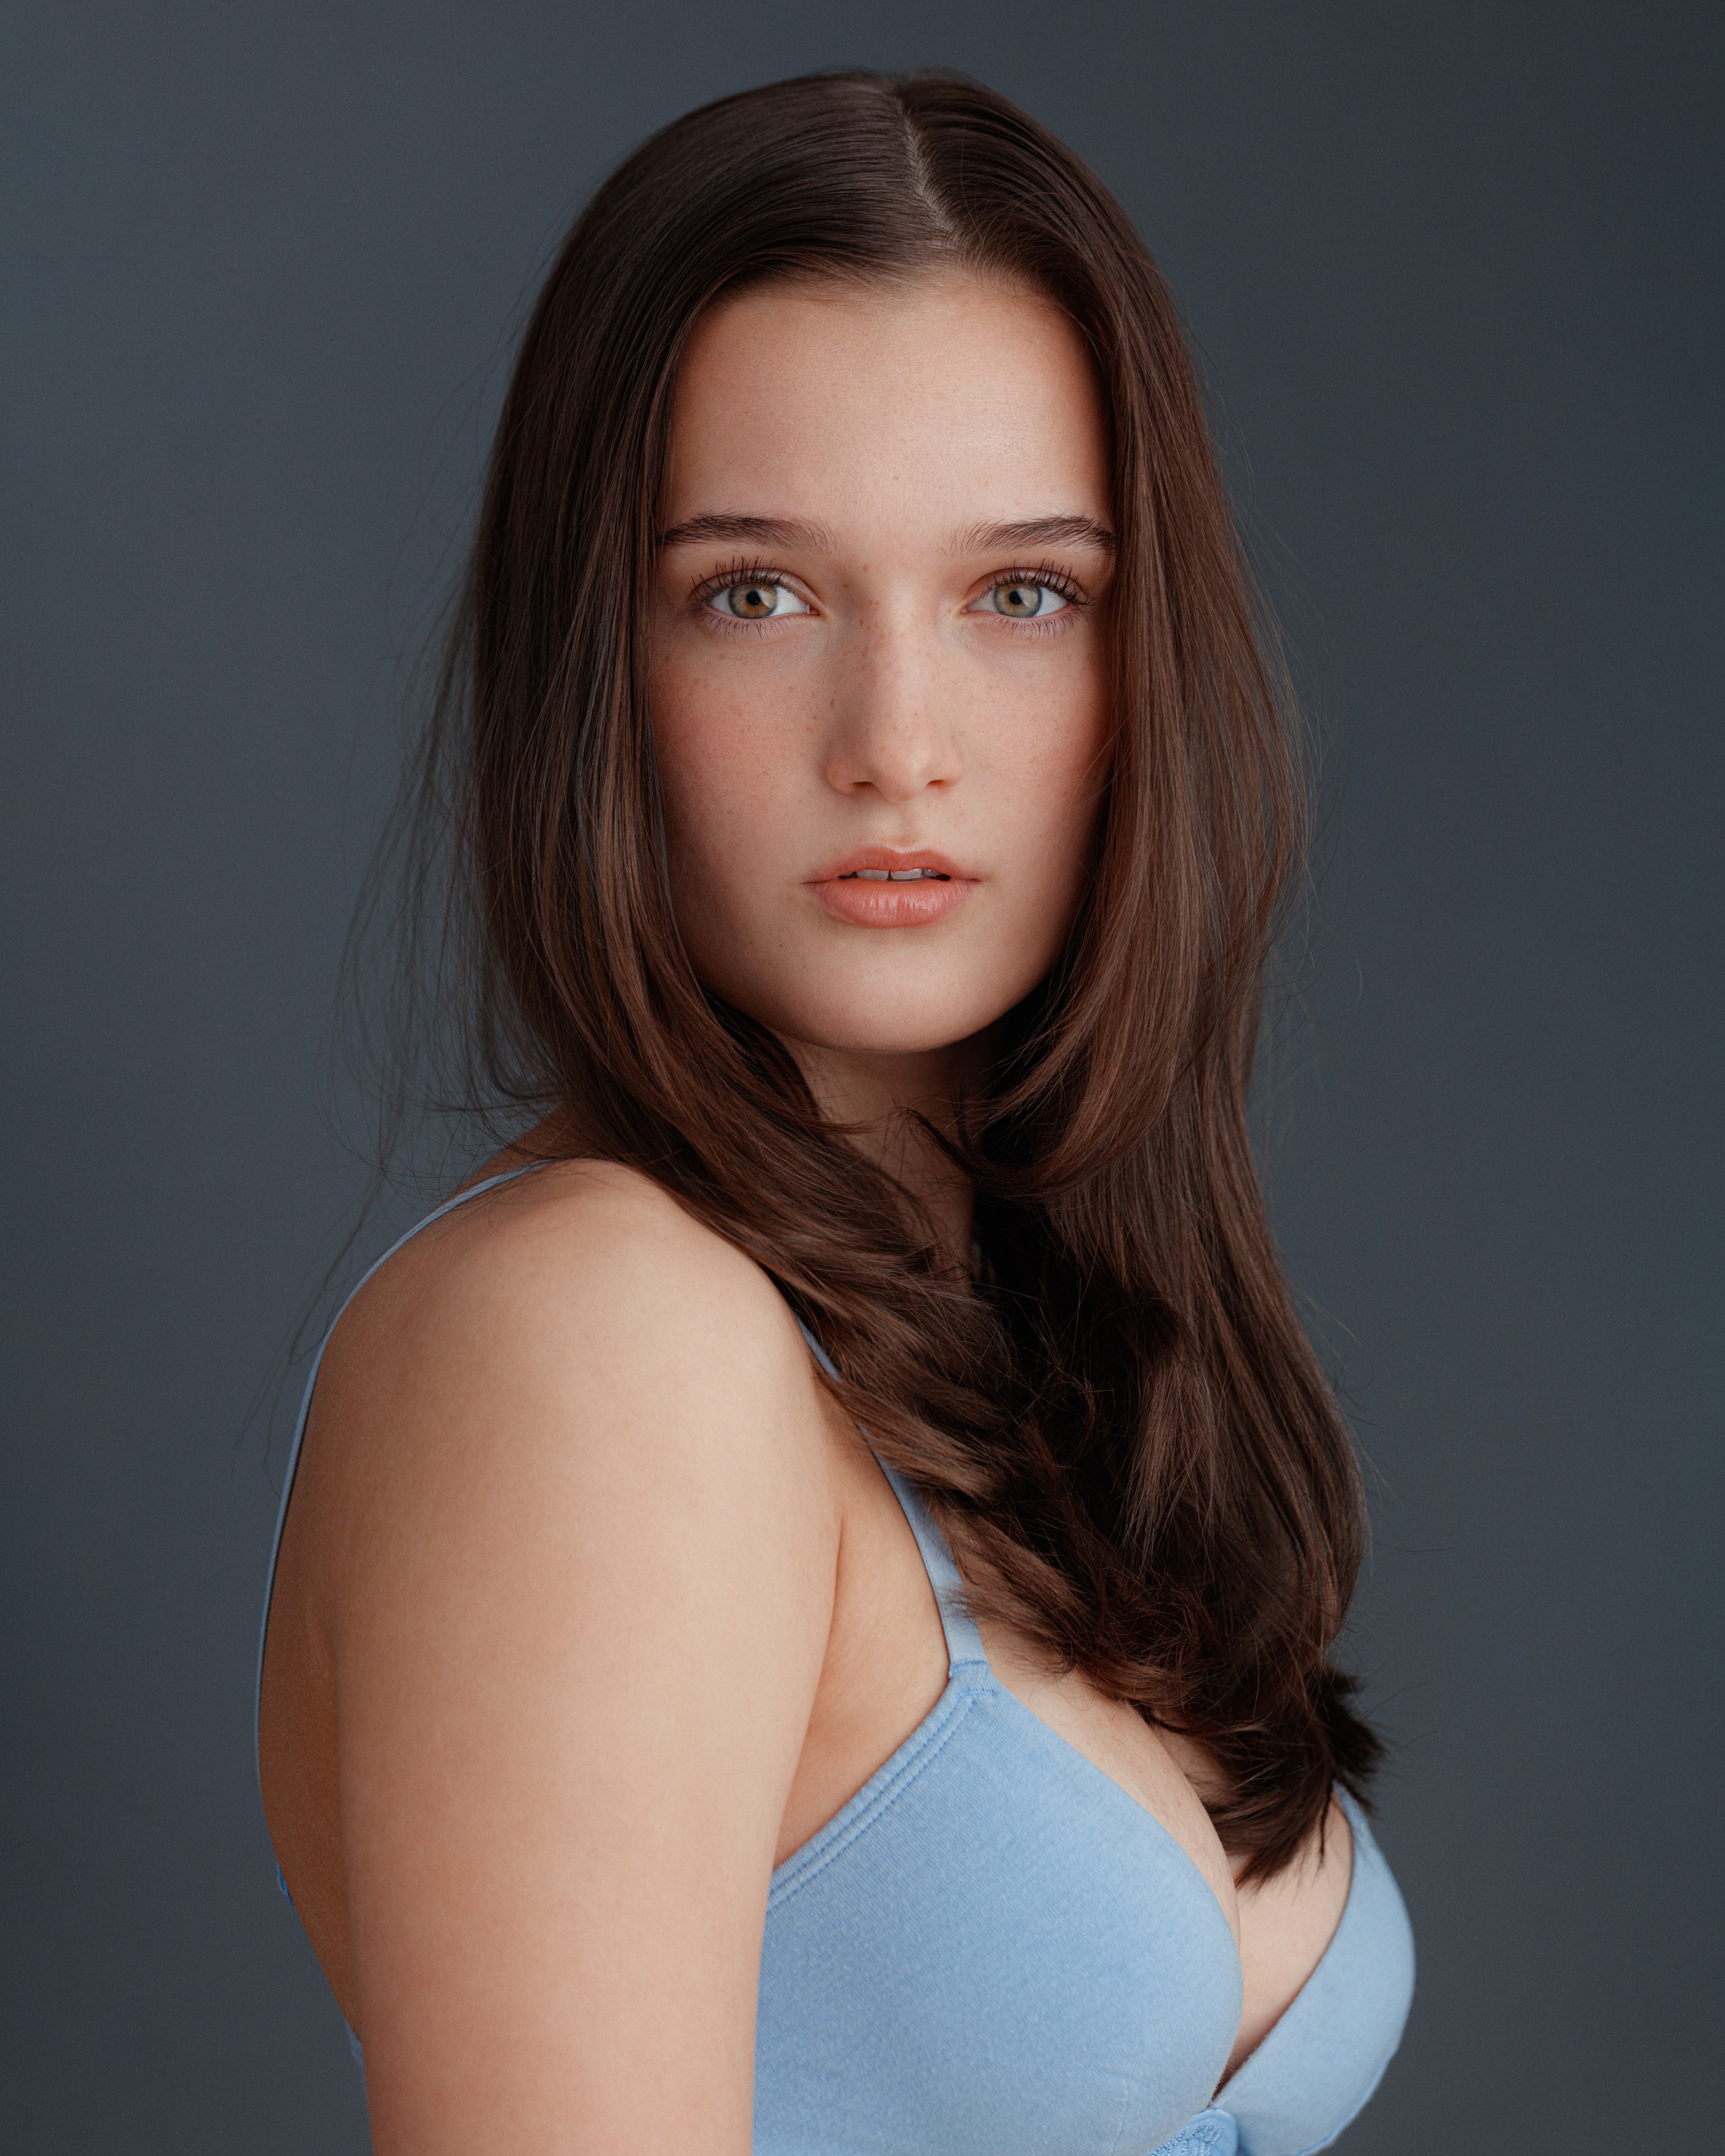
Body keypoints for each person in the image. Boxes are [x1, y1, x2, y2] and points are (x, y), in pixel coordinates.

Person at [257, 69, 1413, 2156]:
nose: (899, 742)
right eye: (759, 594)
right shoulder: (599, 1331)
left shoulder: (1028, 1362)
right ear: (598, 668)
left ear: (1144, 669)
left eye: (1022, 594)